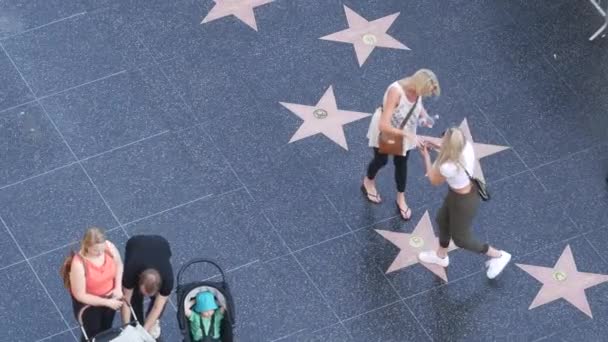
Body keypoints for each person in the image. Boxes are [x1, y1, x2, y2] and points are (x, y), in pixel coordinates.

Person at [417, 127, 511, 279]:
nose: (440, 140)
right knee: (442, 220)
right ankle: (441, 257)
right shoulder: (466, 147)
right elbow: (451, 148)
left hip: (463, 203)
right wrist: (434, 145)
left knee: (461, 239)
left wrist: (426, 156)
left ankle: (499, 255)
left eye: (443, 140)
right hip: (457, 194)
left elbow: (434, 180)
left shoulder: (447, 166)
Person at [363, 69, 441, 220]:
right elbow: (383, 125)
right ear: (419, 86)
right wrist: (409, 134)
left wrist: (424, 116)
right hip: (387, 131)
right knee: (381, 160)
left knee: (402, 163)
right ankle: (368, 182)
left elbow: (418, 103)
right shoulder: (396, 92)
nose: (424, 96)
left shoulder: (416, 90)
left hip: (405, 130)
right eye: (425, 92)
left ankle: (401, 197)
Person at [60, 227, 124, 341]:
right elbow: (80, 295)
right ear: (87, 246)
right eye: (96, 250)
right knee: (92, 334)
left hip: (110, 298)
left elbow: (119, 265)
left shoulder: (108, 247)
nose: (100, 253)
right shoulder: (79, 264)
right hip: (90, 306)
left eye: (102, 249)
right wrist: (107, 302)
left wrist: (118, 288)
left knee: (106, 328)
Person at [121, 235, 174, 339]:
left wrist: (144, 333)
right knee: (134, 299)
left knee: (158, 303)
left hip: (161, 243)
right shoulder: (130, 271)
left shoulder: (168, 280)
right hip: (135, 244)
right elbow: (126, 301)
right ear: (139, 279)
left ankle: (152, 323)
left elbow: (157, 306)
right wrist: (127, 329)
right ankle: (135, 324)